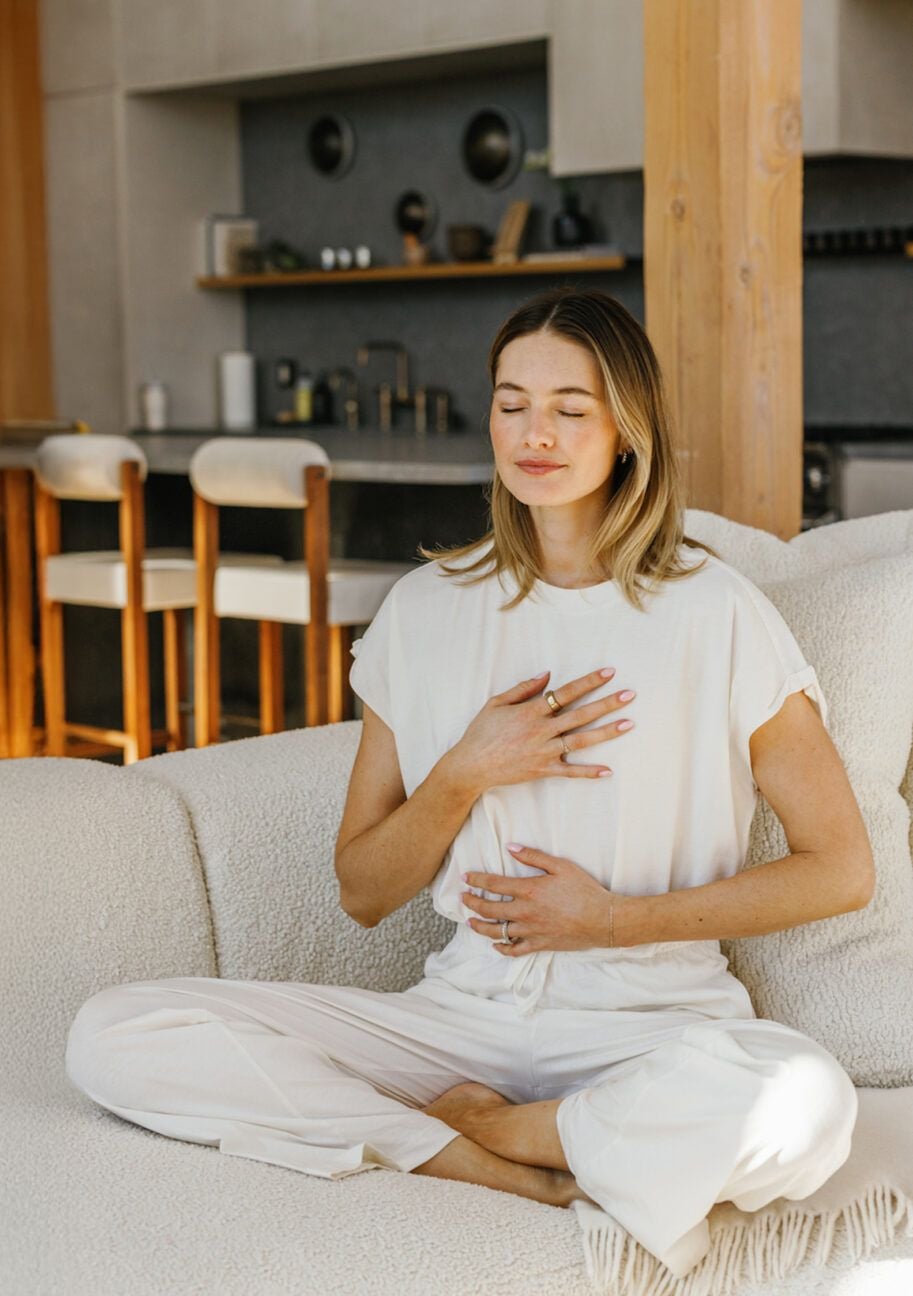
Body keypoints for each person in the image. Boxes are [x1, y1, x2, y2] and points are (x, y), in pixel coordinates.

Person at [65, 287, 873, 1280]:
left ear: (627, 431)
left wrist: (609, 922)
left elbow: (839, 869)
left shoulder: (717, 614)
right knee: (113, 1033)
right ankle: (478, 1159)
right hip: (460, 1019)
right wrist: (463, 772)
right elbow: (363, 890)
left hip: (654, 1026)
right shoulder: (426, 611)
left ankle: (517, 1130)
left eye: (570, 409)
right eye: (510, 402)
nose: (535, 433)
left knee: (808, 1103)